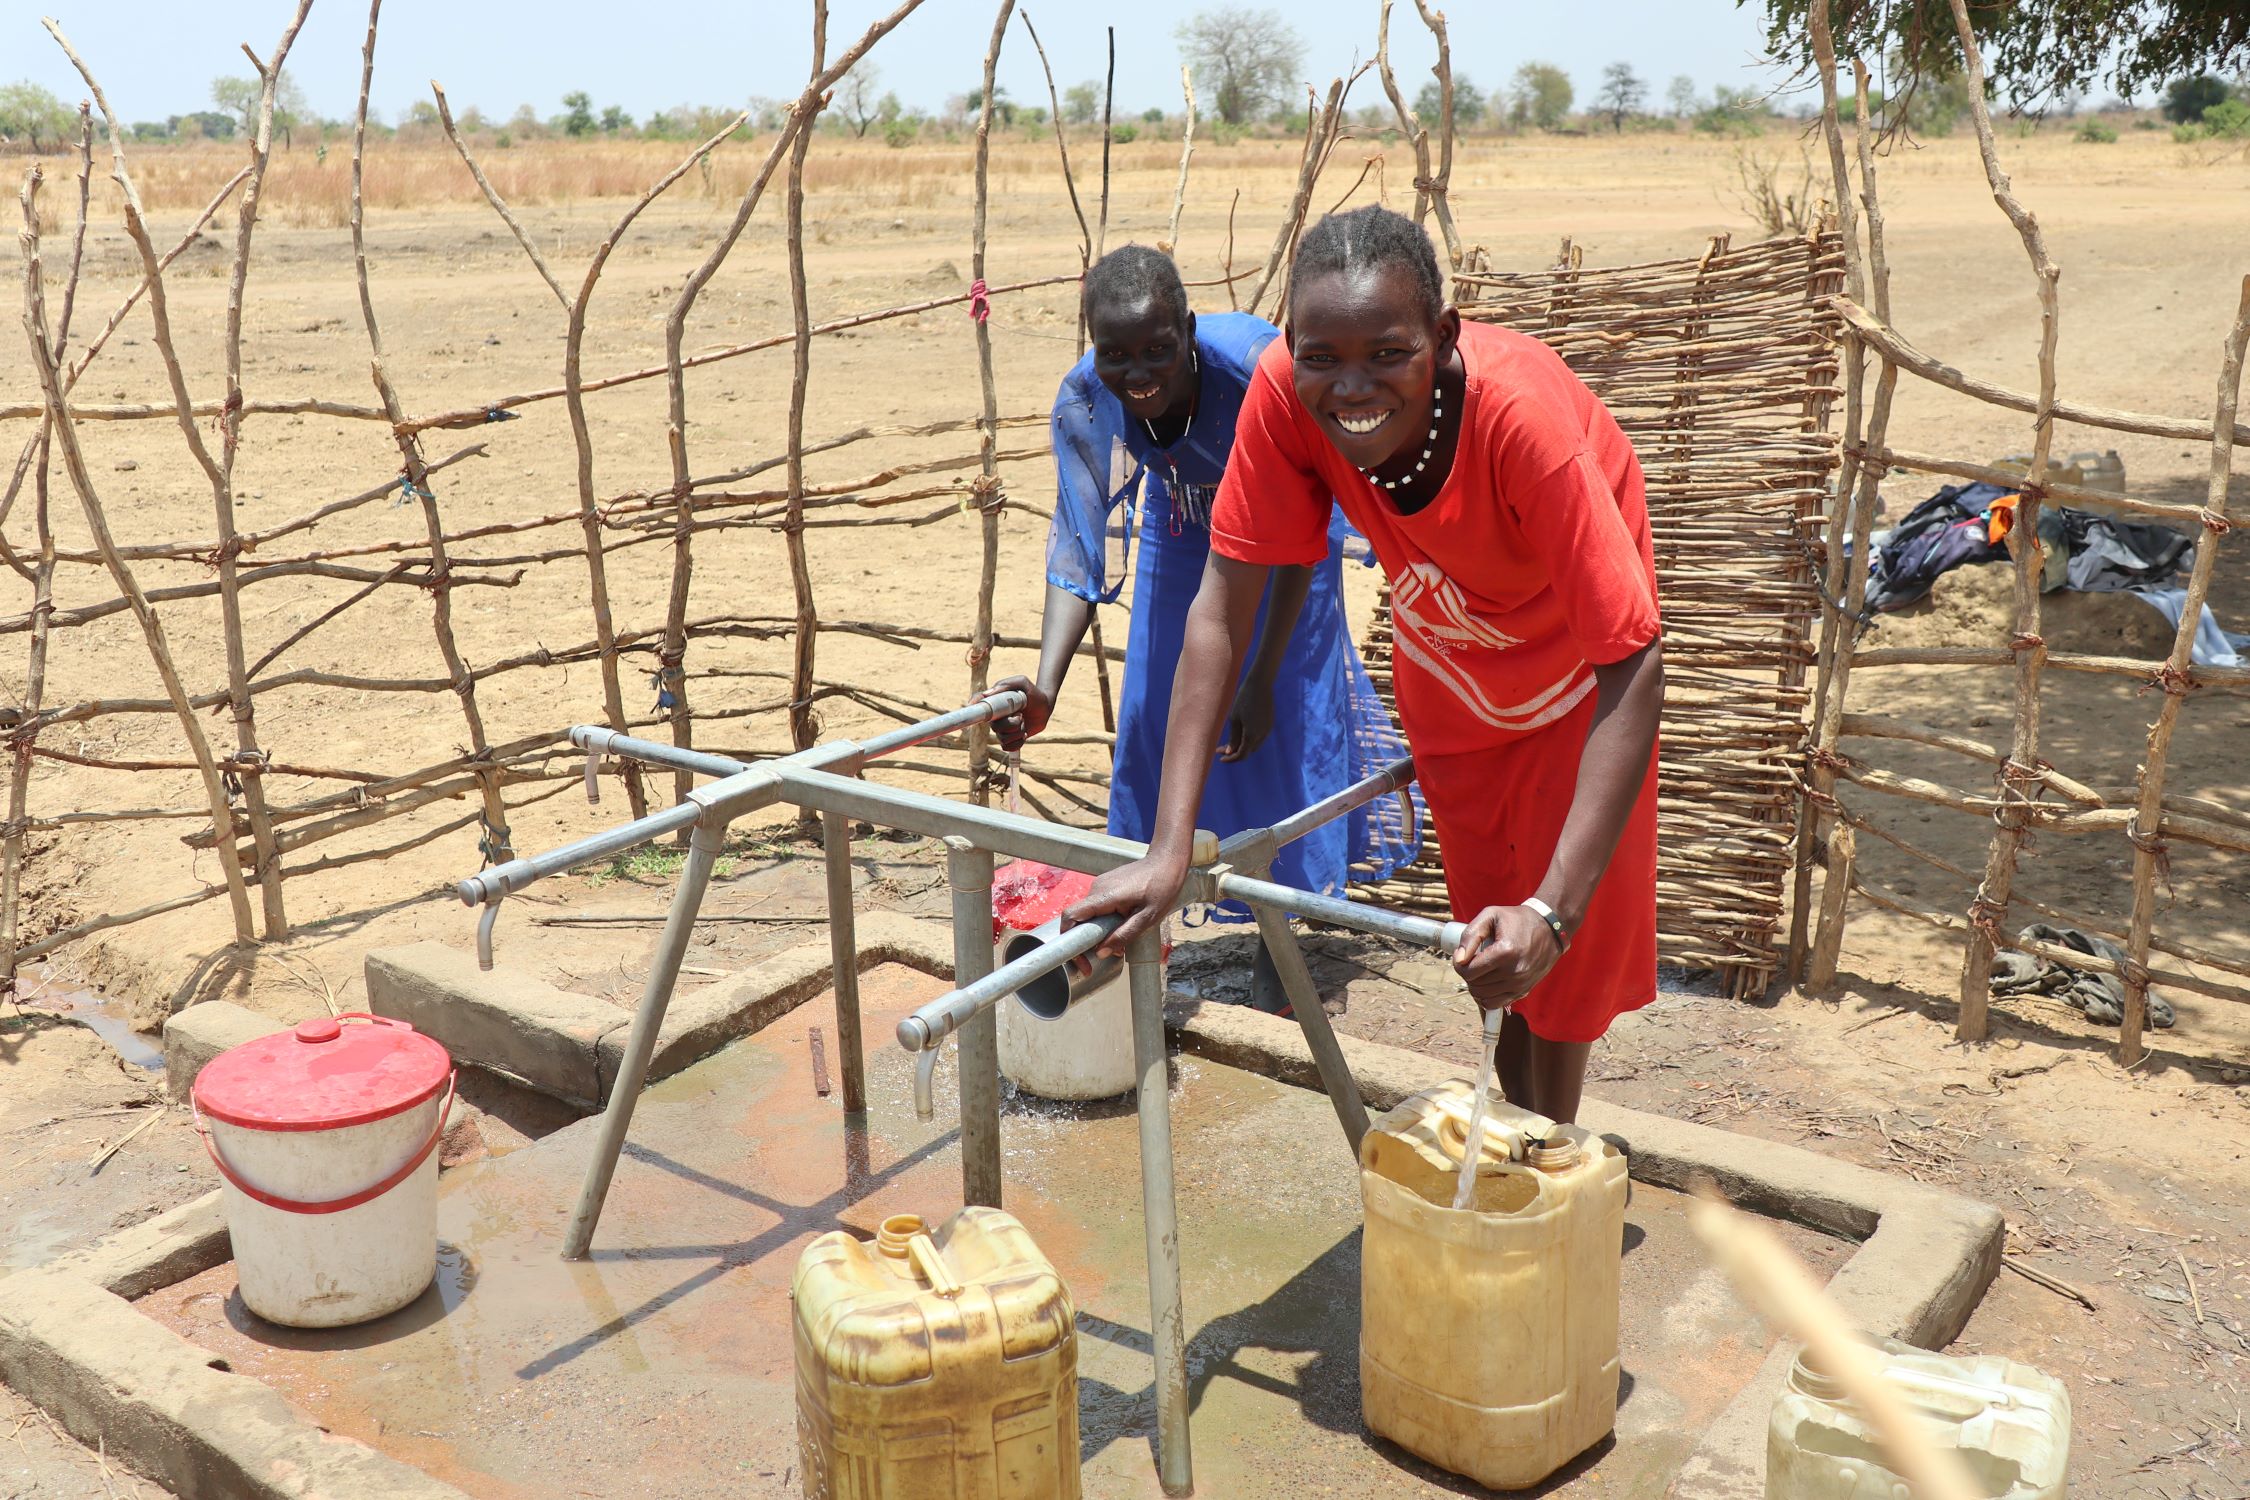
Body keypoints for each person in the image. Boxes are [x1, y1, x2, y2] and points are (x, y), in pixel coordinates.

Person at [1068, 208, 1663, 1124]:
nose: (1352, 387)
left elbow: (1630, 657)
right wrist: (1166, 850)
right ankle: (1520, 1143)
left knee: (1557, 964)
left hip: (1580, 686)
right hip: (1452, 662)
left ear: (1443, 338)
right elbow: (1219, 612)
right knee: (1489, 955)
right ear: (1294, 346)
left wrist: (1552, 910)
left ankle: (1552, 1149)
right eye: (1322, 356)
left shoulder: (1524, 426)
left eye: (1388, 353)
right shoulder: (1282, 395)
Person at [992, 244, 1416, 1012]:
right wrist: (1045, 686)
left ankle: (1278, 942)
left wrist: (1257, 677)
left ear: (1188, 330)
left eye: (1158, 349)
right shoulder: (1090, 399)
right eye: (1116, 353)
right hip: (1184, 533)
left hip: (1290, 546)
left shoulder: (1257, 375)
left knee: (1276, 733)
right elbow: (1080, 543)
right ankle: (1133, 933)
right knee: (1158, 722)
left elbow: (1308, 525)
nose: (1138, 371)